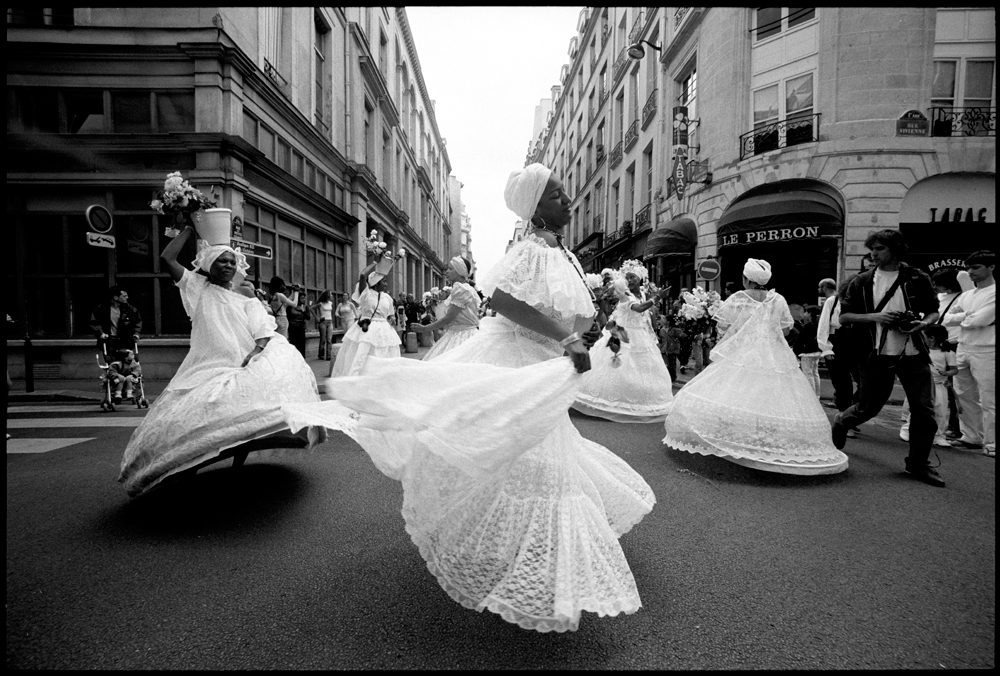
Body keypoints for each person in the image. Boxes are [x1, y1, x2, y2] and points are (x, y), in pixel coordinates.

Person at [282, 163, 654, 633]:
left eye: (563, 193)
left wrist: (591, 328)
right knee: (530, 452)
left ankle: (521, 546)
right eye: (557, 195)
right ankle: (543, 566)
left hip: (546, 367)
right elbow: (501, 299)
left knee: (525, 453)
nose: (568, 201)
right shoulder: (533, 248)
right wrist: (567, 338)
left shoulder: (561, 251)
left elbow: (561, 306)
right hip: (522, 360)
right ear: (535, 209)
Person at [118, 224, 327, 497]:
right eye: (221, 261)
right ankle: (183, 467)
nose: (227, 265)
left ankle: (237, 468)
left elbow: (261, 324)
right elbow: (168, 259)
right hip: (208, 363)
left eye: (231, 261)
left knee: (241, 418)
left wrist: (258, 349)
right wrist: (189, 230)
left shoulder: (246, 292)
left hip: (243, 359)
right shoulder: (197, 287)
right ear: (209, 265)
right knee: (194, 417)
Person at [663, 258, 849, 475]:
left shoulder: (738, 298)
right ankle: (767, 436)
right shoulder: (777, 299)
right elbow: (787, 329)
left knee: (733, 390)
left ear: (746, 279)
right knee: (772, 394)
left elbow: (724, 326)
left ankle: (733, 433)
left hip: (743, 351)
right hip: (773, 352)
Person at [831, 229, 944, 487]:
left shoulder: (917, 277)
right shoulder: (861, 281)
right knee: (868, 407)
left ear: (894, 249)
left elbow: (933, 312)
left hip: (913, 352)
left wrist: (921, 324)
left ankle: (918, 464)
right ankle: (842, 420)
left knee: (924, 410)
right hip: (874, 352)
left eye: (879, 249)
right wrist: (877, 317)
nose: (873, 254)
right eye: (872, 249)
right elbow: (845, 317)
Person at [573, 263, 673, 423]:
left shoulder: (642, 293)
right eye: (627, 278)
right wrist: (658, 297)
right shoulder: (625, 295)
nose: (630, 280)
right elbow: (639, 308)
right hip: (622, 334)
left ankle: (639, 400)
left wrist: (652, 330)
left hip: (640, 335)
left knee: (642, 368)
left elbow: (646, 314)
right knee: (617, 365)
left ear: (640, 279)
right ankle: (611, 400)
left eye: (633, 277)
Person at [943, 250, 995, 457]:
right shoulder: (966, 295)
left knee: (989, 397)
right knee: (963, 394)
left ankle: (992, 442)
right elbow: (947, 318)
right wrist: (968, 317)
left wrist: (962, 317)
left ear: (991, 267)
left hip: (987, 348)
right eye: (968, 268)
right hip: (964, 346)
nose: (970, 272)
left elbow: (979, 321)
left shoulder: (994, 292)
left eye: (975, 267)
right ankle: (972, 435)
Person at [330, 260, 401, 378]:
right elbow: (363, 275)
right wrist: (376, 262)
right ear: (376, 283)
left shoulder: (387, 297)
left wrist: (392, 318)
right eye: (383, 281)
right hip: (367, 328)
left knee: (384, 356)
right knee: (362, 355)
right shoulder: (366, 293)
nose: (386, 284)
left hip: (384, 331)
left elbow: (390, 314)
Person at [413, 257, 480, 360]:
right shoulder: (465, 288)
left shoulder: (461, 289)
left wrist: (424, 328)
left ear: (459, 271)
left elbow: (448, 318)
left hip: (461, 335)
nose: (447, 271)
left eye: (451, 269)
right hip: (460, 333)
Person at [920, 324, 959, 448]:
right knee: (920, 409)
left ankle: (939, 436)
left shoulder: (947, 353)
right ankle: (913, 432)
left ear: (932, 338)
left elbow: (954, 370)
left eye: (924, 336)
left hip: (939, 385)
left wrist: (947, 373)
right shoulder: (921, 350)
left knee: (940, 411)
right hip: (923, 385)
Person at [89, 286, 142, 360]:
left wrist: (136, 334)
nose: (127, 297)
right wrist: (101, 333)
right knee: (111, 363)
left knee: (126, 363)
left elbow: (137, 322)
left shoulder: (130, 309)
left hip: (125, 340)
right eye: (124, 296)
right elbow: (94, 322)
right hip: (109, 341)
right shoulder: (101, 309)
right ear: (116, 297)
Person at [793, 305, 823, 397]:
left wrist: (797, 351)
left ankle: (811, 397)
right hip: (817, 352)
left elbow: (800, 340)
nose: (804, 314)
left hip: (806, 353)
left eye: (806, 312)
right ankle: (817, 395)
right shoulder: (819, 325)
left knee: (808, 374)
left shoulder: (808, 326)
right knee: (815, 373)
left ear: (810, 314)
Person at [313, 291, 335, 360]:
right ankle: (321, 355)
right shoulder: (321, 304)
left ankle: (329, 355)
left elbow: (331, 312)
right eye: (330, 294)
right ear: (327, 295)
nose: (331, 295)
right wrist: (317, 317)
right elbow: (311, 308)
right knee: (322, 339)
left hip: (330, 322)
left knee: (329, 339)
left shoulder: (331, 303)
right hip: (323, 322)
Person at [287, 291, 309, 357]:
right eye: (302, 298)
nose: (304, 300)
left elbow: (308, 317)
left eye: (304, 298)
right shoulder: (290, 307)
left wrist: (302, 311)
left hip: (301, 328)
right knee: (293, 344)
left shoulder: (305, 307)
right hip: (292, 328)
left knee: (301, 345)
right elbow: (288, 317)